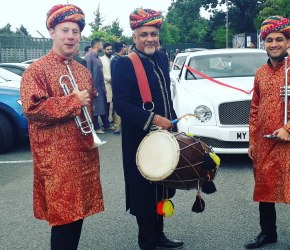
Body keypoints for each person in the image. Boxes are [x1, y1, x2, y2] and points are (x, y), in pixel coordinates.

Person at [20, 4, 104, 249]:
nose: (70, 36)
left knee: (78, 214)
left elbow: (87, 111)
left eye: (75, 31)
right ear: (52, 32)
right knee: (63, 218)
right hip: (56, 158)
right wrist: (73, 101)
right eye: (64, 30)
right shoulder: (35, 71)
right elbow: (32, 110)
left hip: (83, 154)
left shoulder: (81, 70)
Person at [112, 8, 183, 250]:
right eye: (144, 34)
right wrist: (153, 119)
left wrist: (173, 124)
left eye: (153, 33)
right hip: (138, 136)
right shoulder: (123, 64)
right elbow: (121, 104)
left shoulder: (162, 58)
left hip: (164, 134)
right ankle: (147, 241)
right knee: (144, 189)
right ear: (134, 37)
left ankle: (159, 236)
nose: (149, 39)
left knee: (162, 185)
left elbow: (167, 98)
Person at [245, 16, 290, 250]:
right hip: (264, 142)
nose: (273, 44)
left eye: (279, 39)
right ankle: (268, 233)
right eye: (268, 40)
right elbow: (254, 109)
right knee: (264, 188)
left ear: (289, 42)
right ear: (263, 43)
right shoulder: (260, 73)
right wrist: (252, 140)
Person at [86, 38, 111, 133]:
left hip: (101, 88)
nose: (102, 46)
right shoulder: (89, 57)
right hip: (94, 88)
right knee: (95, 108)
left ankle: (106, 125)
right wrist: (92, 89)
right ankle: (96, 127)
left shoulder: (97, 57)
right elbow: (87, 74)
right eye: (101, 44)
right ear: (97, 45)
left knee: (102, 106)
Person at [110, 42, 126, 135]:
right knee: (118, 106)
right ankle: (117, 127)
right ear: (122, 48)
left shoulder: (116, 59)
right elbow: (117, 75)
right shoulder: (116, 60)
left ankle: (117, 126)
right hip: (119, 86)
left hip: (117, 86)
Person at [100, 42, 114, 122]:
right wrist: (109, 79)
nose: (109, 51)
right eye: (108, 49)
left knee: (115, 103)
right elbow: (101, 73)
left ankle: (112, 119)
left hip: (114, 84)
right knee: (107, 103)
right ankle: (106, 121)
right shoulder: (101, 59)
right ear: (104, 50)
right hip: (106, 84)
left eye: (110, 49)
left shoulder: (114, 58)